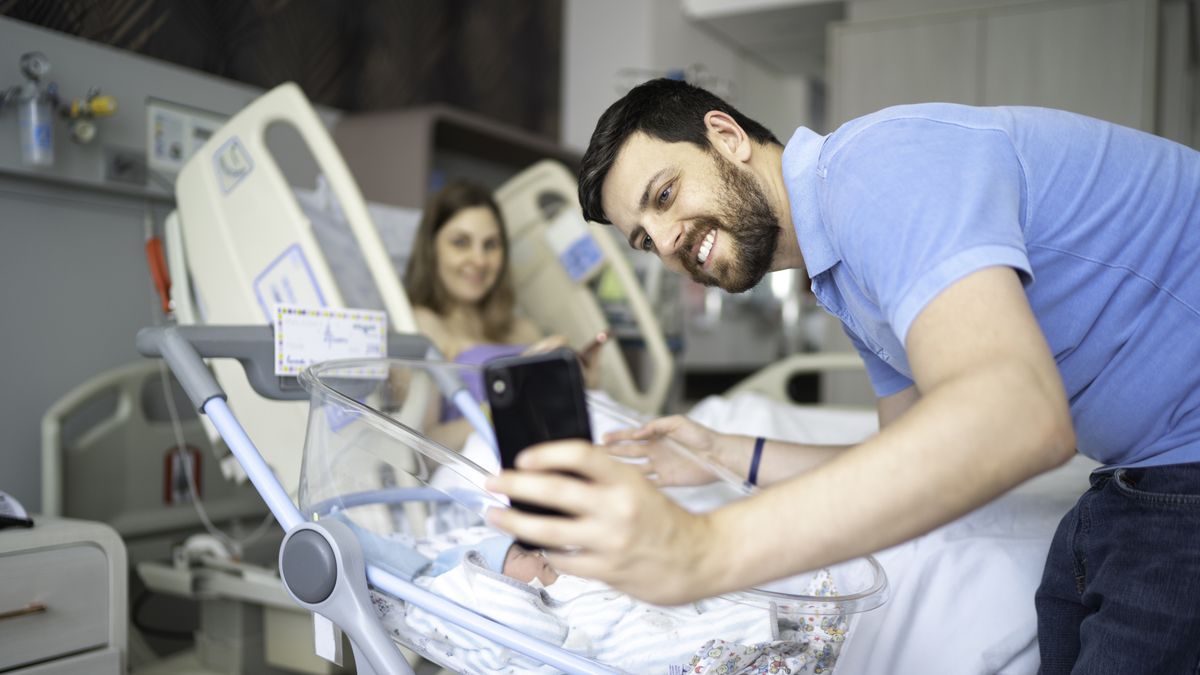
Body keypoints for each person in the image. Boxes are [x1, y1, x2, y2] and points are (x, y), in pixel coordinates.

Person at [485, 78, 1200, 673]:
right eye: (644, 237)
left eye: (664, 195)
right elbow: (915, 456)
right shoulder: (841, 275)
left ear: (726, 136)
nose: (666, 242)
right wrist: (721, 452)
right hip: (1138, 473)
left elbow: (1015, 416)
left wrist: (702, 550)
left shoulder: (878, 168)